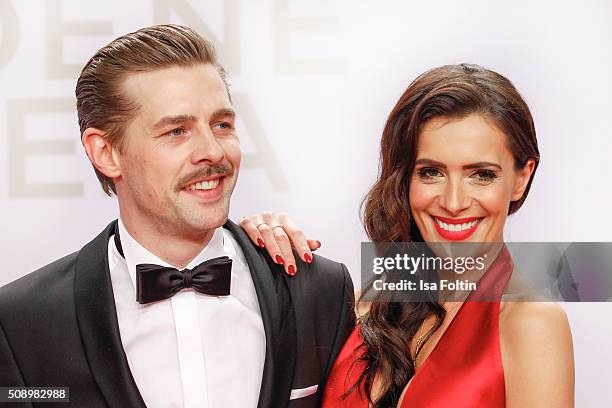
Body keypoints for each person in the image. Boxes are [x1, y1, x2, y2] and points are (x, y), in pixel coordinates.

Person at [0, 25, 355, 408]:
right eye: (176, 131)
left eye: (222, 125)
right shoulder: (21, 323)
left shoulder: (319, 290)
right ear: (105, 152)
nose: (213, 151)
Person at [241, 64, 575, 407]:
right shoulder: (361, 307)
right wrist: (250, 254)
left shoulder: (531, 323)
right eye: (431, 172)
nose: (454, 202)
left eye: (481, 175)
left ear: (521, 178)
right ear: (405, 179)